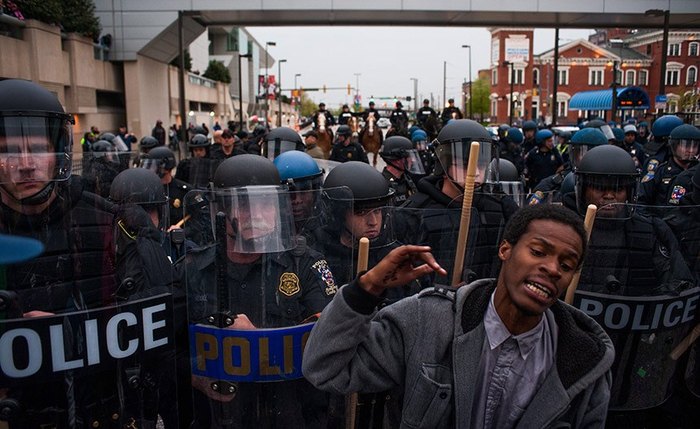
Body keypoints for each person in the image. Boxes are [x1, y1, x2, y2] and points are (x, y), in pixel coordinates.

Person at [303, 203, 615, 429]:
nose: (552, 268)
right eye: (538, 251)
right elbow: (324, 367)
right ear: (505, 250)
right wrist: (366, 288)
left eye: (566, 263)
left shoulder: (586, 363)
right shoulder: (427, 321)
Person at [0, 78, 179, 428]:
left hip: (103, 410)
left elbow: (151, 324)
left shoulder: (107, 223)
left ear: (59, 153)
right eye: (7, 150)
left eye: (37, 149)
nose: (25, 164)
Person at [182, 154, 337, 428]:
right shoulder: (192, 269)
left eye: (266, 204)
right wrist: (194, 375)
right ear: (220, 210)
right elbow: (166, 350)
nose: (255, 214)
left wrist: (254, 344)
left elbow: (329, 337)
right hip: (219, 417)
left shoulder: (304, 264)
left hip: (290, 413)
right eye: (242, 204)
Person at [570, 144, 695, 427]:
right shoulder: (567, 229)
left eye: (618, 188)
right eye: (599, 187)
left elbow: (676, 281)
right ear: (583, 190)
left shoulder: (649, 230)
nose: (609, 195)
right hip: (575, 345)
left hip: (630, 349)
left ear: (630, 191)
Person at [402, 119, 518, 284]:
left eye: (482, 164)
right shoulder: (415, 211)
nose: (476, 172)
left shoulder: (502, 208)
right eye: (465, 164)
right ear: (443, 164)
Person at [527, 128, 608, 205]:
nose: (580, 158)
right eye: (577, 153)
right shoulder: (563, 179)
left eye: (586, 153)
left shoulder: (613, 183)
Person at [639, 123, 700, 208]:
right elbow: (641, 202)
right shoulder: (659, 172)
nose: (690, 150)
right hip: (662, 219)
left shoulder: (697, 172)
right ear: (674, 146)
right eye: (685, 145)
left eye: (694, 146)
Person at [140, 146, 192, 228]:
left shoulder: (185, 191)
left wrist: (181, 230)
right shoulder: (144, 190)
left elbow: (197, 219)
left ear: (166, 168)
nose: (150, 170)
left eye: (153, 166)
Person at [379, 135, 424, 205]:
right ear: (398, 160)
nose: (413, 160)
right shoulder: (383, 185)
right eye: (409, 157)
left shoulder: (407, 179)